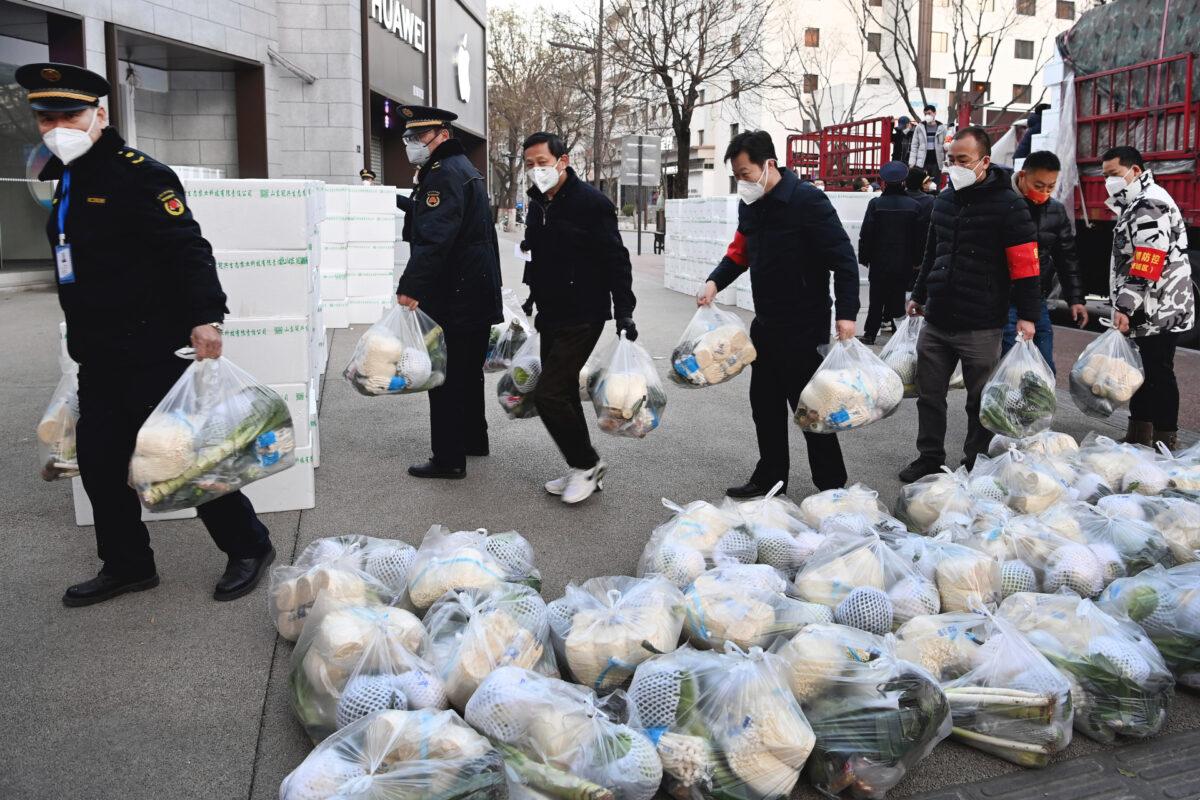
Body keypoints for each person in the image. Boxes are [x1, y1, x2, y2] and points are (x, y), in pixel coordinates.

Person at [18, 62, 274, 607]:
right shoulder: (63, 176)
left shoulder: (139, 173)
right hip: (100, 354)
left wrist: (207, 315)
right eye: (48, 116)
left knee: (185, 458)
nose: (58, 125)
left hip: (152, 347)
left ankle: (249, 546)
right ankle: (128, 564)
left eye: (71, 113)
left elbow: (188, 247)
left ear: (100, 114)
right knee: (101, 464)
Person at [699, 131, 860, 498]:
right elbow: (740, 252)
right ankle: (770, 479)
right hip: (767, 324)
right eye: (736, 175)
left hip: (805, 325)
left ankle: (831, 486)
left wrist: (847, 314)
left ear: (768, 164)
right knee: (765, 407)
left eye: (745, 172)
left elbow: (843, 259)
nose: (741, 181)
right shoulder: (751, 205)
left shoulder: (808, 202)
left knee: (812, 409)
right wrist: (714, 282)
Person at [902, 127, 1040, 482]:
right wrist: (919, 294)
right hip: (938, 317)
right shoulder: (944, 200)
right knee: (929, 396)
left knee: (980, 399)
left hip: (981, 323)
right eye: (951, 160)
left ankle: (975, 460)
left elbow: (1025, 266)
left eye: (963, 161)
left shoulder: (1010, 206)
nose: (955, 167)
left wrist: (1028, 315)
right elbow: (932, 252)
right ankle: (929, 456)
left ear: (984, 161)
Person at [521, 131, 637, 505]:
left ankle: (587, 464)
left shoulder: (592, 204)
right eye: (530, 165)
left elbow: (617, 260)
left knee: (549, 394)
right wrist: (529, 300)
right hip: (550, 313)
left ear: (563, 161)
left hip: (584, 313)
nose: (536, 171)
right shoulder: (537, 202)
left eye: (542, 163)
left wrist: (625, 313)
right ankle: (582, 466)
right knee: (565, 392)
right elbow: (536, 257)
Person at [395, 105, 503, 479]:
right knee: (468, 373)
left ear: (442, 134)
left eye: (419, 137)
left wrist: (410, 287)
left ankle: (448, 458)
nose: (413, 144)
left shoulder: (442, 175)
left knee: (443, 376)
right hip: (475, 290)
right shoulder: (463, 170)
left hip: (454, 293)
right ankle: (474, 439)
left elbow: (435, 238)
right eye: (410, 137)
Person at [1102, 145, 1195, 450]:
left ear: (1135, 171)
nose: (1109, 182)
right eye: (1105, 176)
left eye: (1114, 174)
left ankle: (1165, 438)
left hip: (1158, 305)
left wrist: (1125, 306)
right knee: (1142, 371)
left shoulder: (1149, 204)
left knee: (1157, 371)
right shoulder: (1136, 200)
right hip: (1150, 303)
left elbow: (1148, 260)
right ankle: (1139, 433)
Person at [1001, 150, 1089, 371]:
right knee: (1009, 366)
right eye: (1038, 186)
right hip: (1003, 299)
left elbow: (1067, 257)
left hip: (1036, 297)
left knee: (1044, 366)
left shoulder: (1056, 211)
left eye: (1051, 187)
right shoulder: (1002, 203)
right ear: (1023, 176)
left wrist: (1075, 299)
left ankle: (1036, 405)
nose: (1044, 193)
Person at [858, 161, 924, 345]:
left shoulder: (876, 204)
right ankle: (898, 334)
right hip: (904, 261)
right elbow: (919, 238)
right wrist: (917, 260)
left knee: (876, 298)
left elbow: (866, 233)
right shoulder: (914, 206)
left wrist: (864, 256)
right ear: (903, 181)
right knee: (898, 298)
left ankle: (870, 333)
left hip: (879, 261)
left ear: (884, 182)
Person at [908, 104, 948, 185]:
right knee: (922, 184)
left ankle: (935, 197)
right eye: (925, 114)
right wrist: (912, 162)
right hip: (922, 161)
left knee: (935, 185)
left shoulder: (942, 127)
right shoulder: (920, 127)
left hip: (937, 161)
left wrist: (947, 161)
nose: (927, 116)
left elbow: (946, 145)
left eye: (929, 113)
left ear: (934, 113)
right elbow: (914, 146)